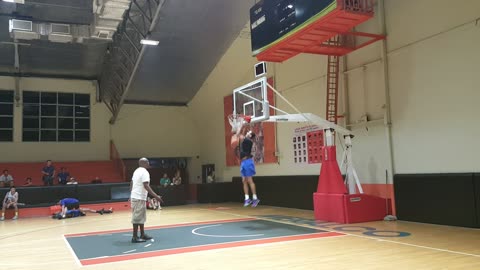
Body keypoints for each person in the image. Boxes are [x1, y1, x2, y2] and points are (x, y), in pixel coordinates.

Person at [130, 157, 163, 243]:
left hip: (137, 197)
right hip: (139, 197)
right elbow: (146, 185)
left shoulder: (136, 171)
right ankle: (134, 237)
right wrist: (156, 196)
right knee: (137, 218)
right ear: (143, 163)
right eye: (147, 162)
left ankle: (142, 234)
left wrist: (131, 194)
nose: (149, 164)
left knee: (141, 217)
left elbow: (132, 183)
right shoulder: (145, 172)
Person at [238, 129, 260, 207]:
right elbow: (241, 136)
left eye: (248, 132)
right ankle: (247, 198)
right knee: (244, 180)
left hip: (248, 162)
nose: (247, 133)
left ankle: (255, 198)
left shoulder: (248, 141)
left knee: (250, 180)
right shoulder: (245, 141)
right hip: (243, 163)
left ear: (250, 135)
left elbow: (239, 135)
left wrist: (240, 126)